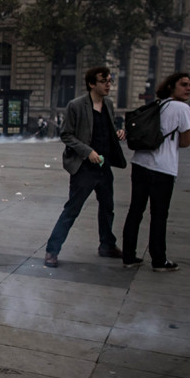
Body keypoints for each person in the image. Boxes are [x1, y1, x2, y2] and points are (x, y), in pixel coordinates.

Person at [43, 67, 127, 268]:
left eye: (110, 81)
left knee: (107, 207)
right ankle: (52, 250)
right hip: (84, 168)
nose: (108, 85)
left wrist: (117, 133)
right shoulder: (76, 105)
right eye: (104, 81)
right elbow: (66, 135)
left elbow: (104, 130)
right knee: (72, 209)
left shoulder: (108, 104)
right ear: (91, 84)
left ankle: (107, 245)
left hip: (104, 166)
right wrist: (87, 151)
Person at [121, 73, 190, 271]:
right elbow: (185, 142)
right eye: (184, 84)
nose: (188, 88)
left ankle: (128, 256)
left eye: (189, 85)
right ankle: (159, 260)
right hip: (163, 168)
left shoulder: (158, 104)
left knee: (135, 211)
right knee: (159, 215)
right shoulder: (183, 108)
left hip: (140, 164)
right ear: (171, 87)